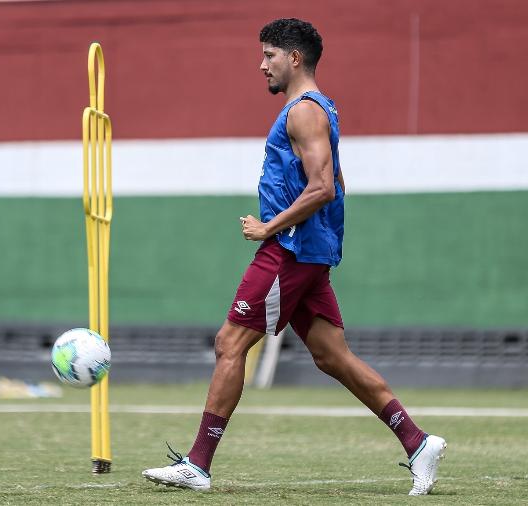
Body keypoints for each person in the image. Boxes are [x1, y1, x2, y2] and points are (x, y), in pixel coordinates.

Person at [142, 18, 446, 496]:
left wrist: (271, 226)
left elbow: (323, 187)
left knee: (230, 344)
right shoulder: (317, 110)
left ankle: (197, 465)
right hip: (307, 250)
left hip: (289, 250)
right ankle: (417, 441)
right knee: (331, 356)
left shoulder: (304, 111)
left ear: (294, 58)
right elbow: (338, 184)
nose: (261, 64)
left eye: (269, 55)